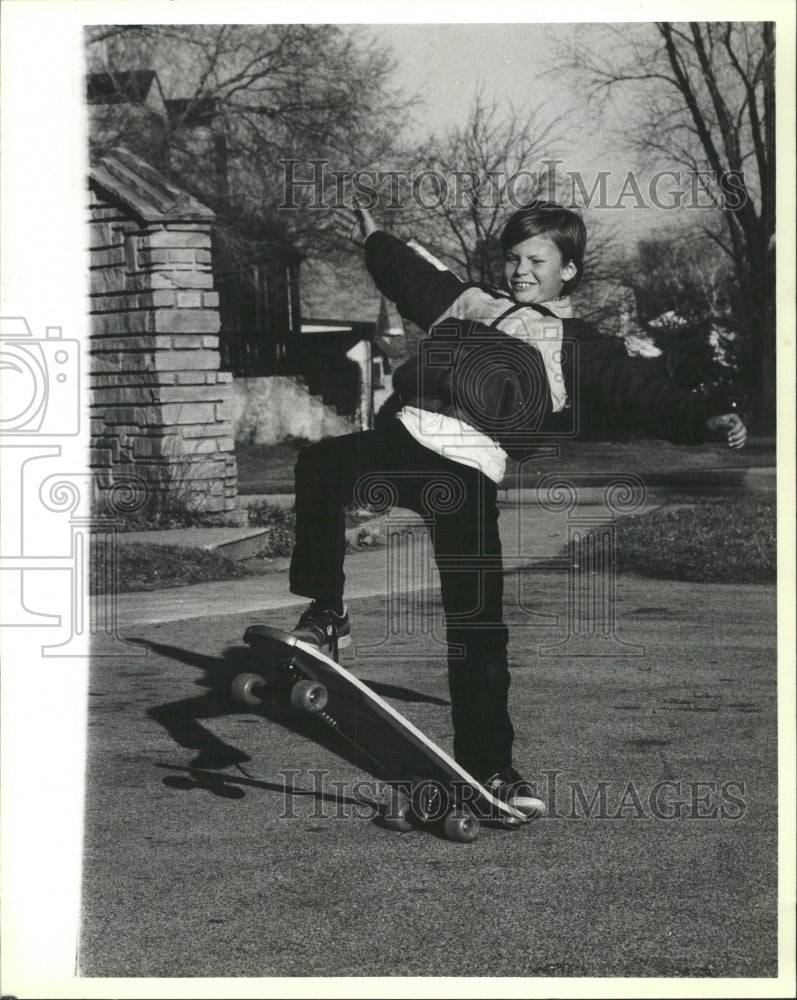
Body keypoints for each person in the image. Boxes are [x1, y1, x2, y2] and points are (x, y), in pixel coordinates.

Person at [286, 202, 747, 819]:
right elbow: (410, 277)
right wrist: (375, 240)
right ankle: (328, 611)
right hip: (405, 441)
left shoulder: (577, 344)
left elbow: (640, 391)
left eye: (537, 261)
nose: (521, 271)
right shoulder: (469, 302)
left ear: (569, 271)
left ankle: (491, 767)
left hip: (470, 469)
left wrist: (704, 420)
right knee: (319, 466)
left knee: (477, 625)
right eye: (513, 258)